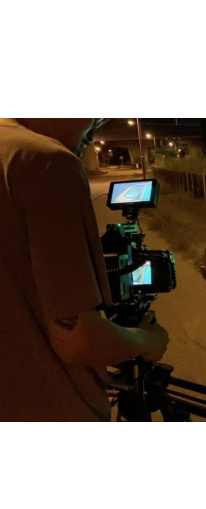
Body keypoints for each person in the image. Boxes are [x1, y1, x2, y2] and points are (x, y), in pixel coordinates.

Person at [0, 118, 169, 421]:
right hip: (52, 409)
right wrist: (149, 340)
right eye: (94, 119)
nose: (92, 134)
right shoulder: (44, 161)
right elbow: (77, 341)